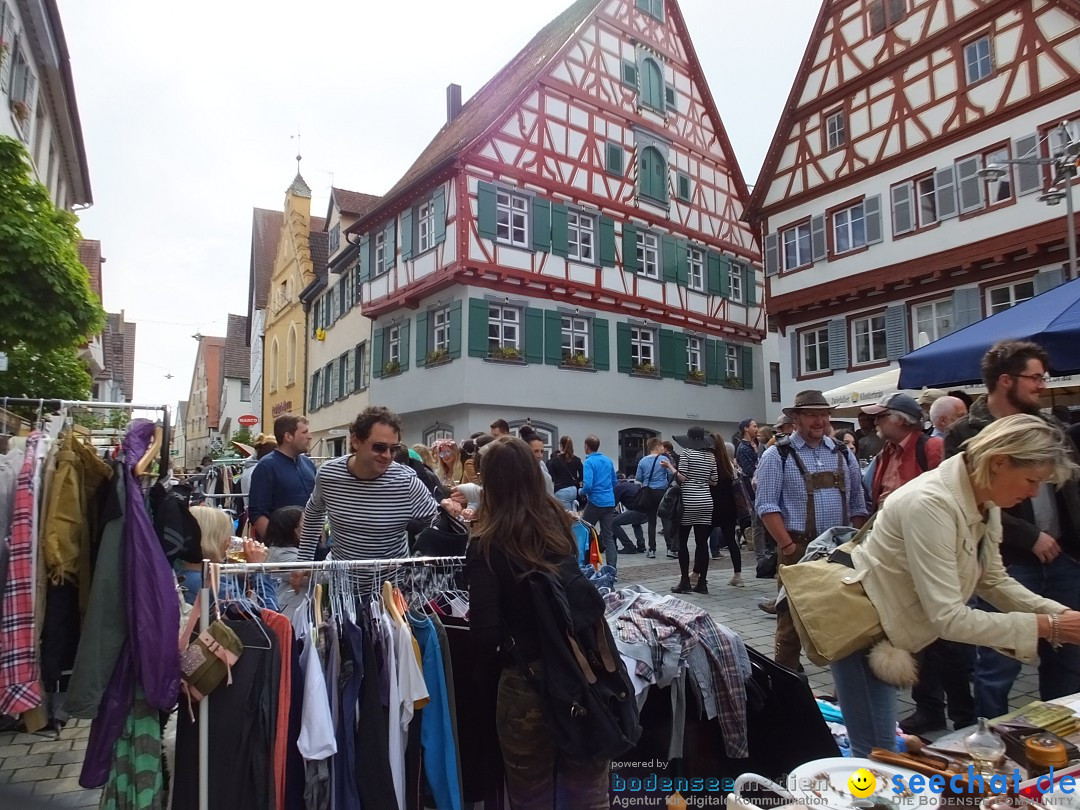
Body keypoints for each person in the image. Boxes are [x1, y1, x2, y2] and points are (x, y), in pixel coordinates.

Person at [830, 414, 1080, 757]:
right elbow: (948, 618)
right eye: (1031, 480)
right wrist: (1048, 625)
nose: (1032, 493)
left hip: (894, 629)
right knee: (876, 752)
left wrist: (1060, 614)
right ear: (999, 462)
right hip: (865, 635)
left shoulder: (982, 497)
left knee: (881, 747)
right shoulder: (932, 503)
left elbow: (992, 580)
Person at [466, 436, 610, 808]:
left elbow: (485, 635)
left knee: (531, 794)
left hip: (525, 683)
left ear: (489, 482)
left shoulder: (485, 543)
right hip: (580, 674)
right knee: (588, 791)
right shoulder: (560, 526)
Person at [945, 340, 1080, 719]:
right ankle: (990, 742)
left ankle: (1057, 736)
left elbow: (1071, 488)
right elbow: (970, 500)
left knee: (1069, 658)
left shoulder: (1051, 426)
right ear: (1006, 380)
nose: (1042, 385)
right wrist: (1030, 536)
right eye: (1035, 377)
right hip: (1005, 561)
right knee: (998, 665)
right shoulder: (966, 433)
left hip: (1064, 560)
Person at [755, 390, 869, 670]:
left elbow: (858, 504)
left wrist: (852, 544)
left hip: (840, 551)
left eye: (823, 414)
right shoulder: (777, 454)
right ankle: (786, 681)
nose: (819, 420)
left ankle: (845, 686)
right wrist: (788, 547)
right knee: (790, 621)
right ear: (796, 418)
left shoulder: (843, 453)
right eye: (811, 415)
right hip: (799, 548)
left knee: (845, 619)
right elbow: (767, 505)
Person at [297, 407, 440, 577]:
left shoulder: (407, 483)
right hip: (341, 585)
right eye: (379, 447)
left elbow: (437, 524)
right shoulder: (329, 474)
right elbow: (314, 512)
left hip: (391, 588)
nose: (387, 455)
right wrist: (303, 562)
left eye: (393, 449)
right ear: (356, 441)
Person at [177, 505, 273, 608]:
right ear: (213, 540)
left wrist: (239, 574)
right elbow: (268, 618)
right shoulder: (213, 585)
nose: (229, 542)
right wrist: (259, 570)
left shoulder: (176, 574)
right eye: (227, 536)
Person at [861, 393, 943, 511]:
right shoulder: (886, 453)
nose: (875, 423)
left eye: (880, 417)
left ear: (900, 419)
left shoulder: (933, 447)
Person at [247, 414, 315, 541]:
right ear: (288, 437)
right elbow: (257, 513)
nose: (310, 436)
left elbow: (316, 506)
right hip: (283, 551)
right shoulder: (266, 467)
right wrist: (276, 544)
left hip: (312, 546)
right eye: (304, 432)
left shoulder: (308, 464)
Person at [669, 426, 717, 595]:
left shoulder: (687, 454)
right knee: (702, 543)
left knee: (682, 541)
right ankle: (702, 582)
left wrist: (671, 468)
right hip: (706, 500)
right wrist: (701, 480)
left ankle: (684, 581)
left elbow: (683, 477)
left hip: (689, 500)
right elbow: (714, 481)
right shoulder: (711, 456)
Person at [708, 432, 742, 587]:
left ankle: (697, 573)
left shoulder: (710, 461)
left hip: (712, 504)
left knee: (702, 539)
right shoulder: (728, 463)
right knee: (730, 540)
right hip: (729, 505)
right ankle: (738, 575)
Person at [580, 434, 618, 569]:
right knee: (608, 535)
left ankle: (585, 564)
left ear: (586, 446)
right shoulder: (608, 461)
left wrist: (581, 491)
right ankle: (612, 568)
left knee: (584, 530)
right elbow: (615, 481)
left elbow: (588, 485)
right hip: (609, 502)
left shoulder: (589, 462)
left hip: (595, 502)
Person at [634, 437, 671, 558]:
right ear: (657, 447)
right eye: (661, 447)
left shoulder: (642, 461)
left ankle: (652, 549)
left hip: (648, 493)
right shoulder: (664, 459)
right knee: (665, 520)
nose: (662, 449)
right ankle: (670, 548)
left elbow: (638, 478)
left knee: (651, 522)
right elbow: (671, 474)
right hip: (661, 492)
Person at [264, 505, 304, 618]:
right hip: (285, 614)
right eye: (304, 524)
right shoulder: (284, 557)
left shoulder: (274, 551)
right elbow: (322, 575)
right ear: (292, 530)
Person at [612, 475, 647, 554]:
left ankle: (628, 546)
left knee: (613, 523)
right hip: (647, 512)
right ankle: (641, 544)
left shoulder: (618, 487)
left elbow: (612, 505)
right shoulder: (633, 485)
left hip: (637, 512)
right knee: (636, 523)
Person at [548, 435, 583, 512]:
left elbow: (550, 476)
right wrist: (577, 481)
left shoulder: (554, 460)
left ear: (561, 445)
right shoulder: (577, 460)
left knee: (564, 517)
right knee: (573, 515)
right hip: (574, 490)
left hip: (561, 490)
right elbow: (582, 476)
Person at [518, 426, 555, 495]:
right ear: (525, 450)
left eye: (542, 451)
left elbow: (551, 501)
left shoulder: (545, 477)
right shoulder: (514, 473)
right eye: (536, 451)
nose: (540, 455)